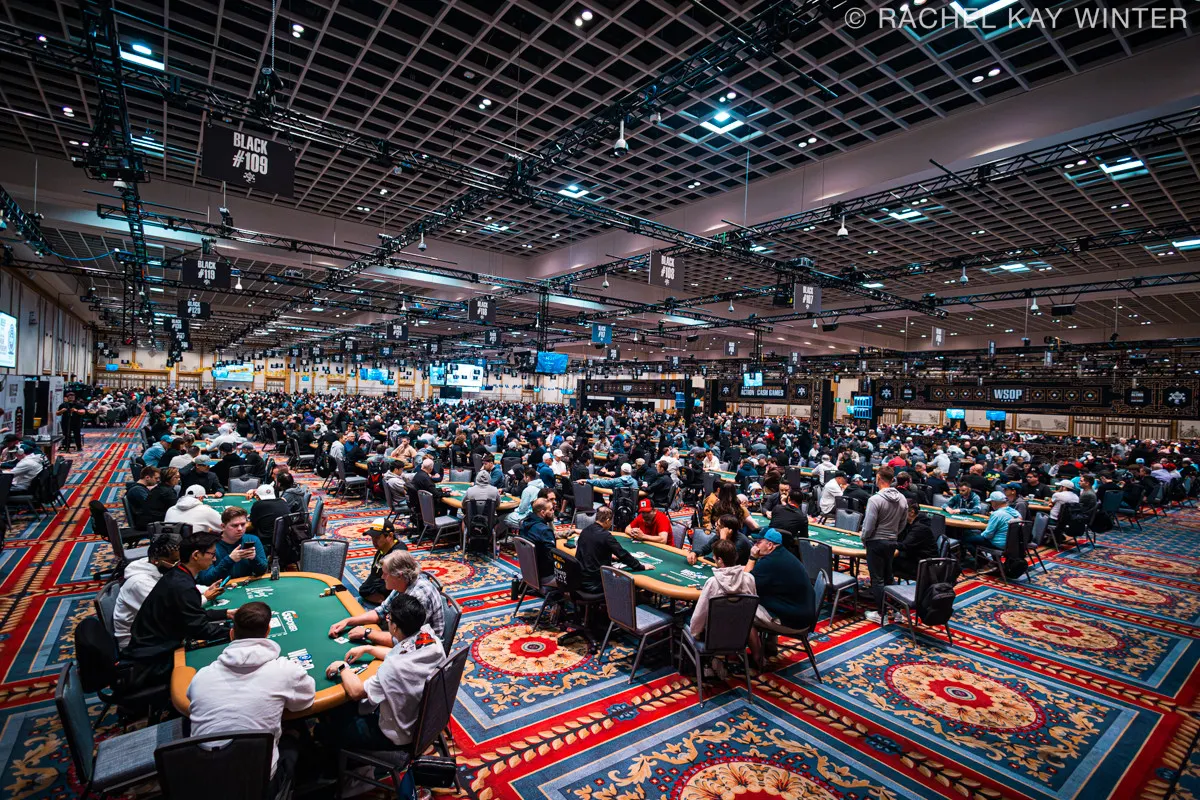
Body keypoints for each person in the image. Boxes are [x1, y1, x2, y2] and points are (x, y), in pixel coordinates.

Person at [187, 602, 315, 793]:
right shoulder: (286, 670)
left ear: (232, 633)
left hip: (201, 784)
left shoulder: (202, 676)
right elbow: (306, 700)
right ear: (268, 631)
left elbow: (190, 700)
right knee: (298, 729)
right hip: (259, 785)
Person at [319, 594, 445, 765]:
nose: (388, 621)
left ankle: (338, 766)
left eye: (389, 619)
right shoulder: (431, 640)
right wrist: (368, 649)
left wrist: (342, 668)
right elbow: (403, 654)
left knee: (330, 722)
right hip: (422, 720)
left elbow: (356, 692)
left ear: (395, 627)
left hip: (396, 735)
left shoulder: (393, 668)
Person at [121, 532, 233, 691]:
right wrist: (235, 631)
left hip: (152, 646)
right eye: (212, 554)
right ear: (196, 555)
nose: (214, 559)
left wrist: (226, 613)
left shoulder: (178, 574)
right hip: (153, 659)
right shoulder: (182, 586)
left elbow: (189, 613)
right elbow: (199, 629)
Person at [328, 550, 445, 642]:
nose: (382, 577)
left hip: (424, 646)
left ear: (399, 575)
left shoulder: (419, 597)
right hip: (405, 636)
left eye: (385, 574)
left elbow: (407, 641)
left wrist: (367, 633)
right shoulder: (402, 584)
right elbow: (382, 611)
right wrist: (348, 621)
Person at [113, 532, 189, 649]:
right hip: (136, 643)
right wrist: (204, 598)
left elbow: (180, 588)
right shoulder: (140, 583)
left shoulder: (156, 567)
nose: (177, 565)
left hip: (153, 630)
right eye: (174, 561)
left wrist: (205, 590)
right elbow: (171, 612)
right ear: (156, 560)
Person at [690, 538, 760, 660]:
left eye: (714, 557)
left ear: (720, 560)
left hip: (713, 637)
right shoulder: (749, 578)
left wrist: (695, 634)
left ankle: (708, 661)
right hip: (740, 635)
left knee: (685, 617)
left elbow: (699, 617)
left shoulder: (712, 582)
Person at [746, 529, 816, 636]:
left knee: (743, 611)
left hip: (794, 622)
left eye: (758, 542)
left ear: (770, 545)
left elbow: (745, 583)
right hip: (803, 614)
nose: (755, 546)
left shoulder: (770, 562)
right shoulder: (783, 554)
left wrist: (752, 558)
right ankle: (770, 644)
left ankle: (757, 648)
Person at [860, 466, 906, 625]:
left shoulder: (875, 499)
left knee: (878, 579)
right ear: (892, 480)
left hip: (876, 542)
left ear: (878, 478)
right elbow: (903, 523)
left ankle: (882, 614)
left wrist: (864, 539)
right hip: (892, 541)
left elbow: (868, 526)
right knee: (889, 576)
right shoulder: (902, 498)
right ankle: (898, 611)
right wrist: (893, 534)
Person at [575, 506, 645, 593]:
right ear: (607, 520)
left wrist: (609, 555)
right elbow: (622, 554)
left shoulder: (585, 530)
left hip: (580, 581)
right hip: (596, 584)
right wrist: (640, 566)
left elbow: (590, 550)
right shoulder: (606, 536)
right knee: (630, 585)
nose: (611, 524)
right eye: (611, 521)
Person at [196, 506, 268, 584]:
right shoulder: (208, 545)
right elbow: (206, 579)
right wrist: (229, 560)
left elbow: (262, 571)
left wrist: (254, 558)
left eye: (243, 524)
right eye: (235, 525)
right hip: (219, 588)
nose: (240, 529)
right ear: (223, 527)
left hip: (244, 585)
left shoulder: (252, 539)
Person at [962, 491, 1021, 566]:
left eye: (991, 502)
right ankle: (995, 563)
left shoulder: (997, 514)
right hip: (1012, 544)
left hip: (999, 544)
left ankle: (982, 562)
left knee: (966, 539)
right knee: (973, 535)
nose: (991, 504)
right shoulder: (1015, 512)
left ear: (995, 502)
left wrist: (980, 535)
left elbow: (988, 535)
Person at [358, 525, 407, 606]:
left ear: (390, 536)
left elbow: (400, 581)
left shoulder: (399, 553)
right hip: (382, 581)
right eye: (372, 537)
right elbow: (374, 572)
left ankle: (391, 602)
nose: (374, 541)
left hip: (394, 584)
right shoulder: (382, 549)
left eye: (377, 537)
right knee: (364, 590)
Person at [894, 501, 938, 581]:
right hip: (915, 558)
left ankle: (884, 585)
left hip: (924, 566)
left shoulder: (920, 528)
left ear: (911, 512)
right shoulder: (909, 524)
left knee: (887, 560)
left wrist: (885, 543)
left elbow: (904, 546)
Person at [519, 497, 559, 577]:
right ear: (543, 512)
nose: (553, 512)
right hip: (545, 574)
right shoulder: (545, 531)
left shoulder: (524, 522)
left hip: (528, 570)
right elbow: (552, 557)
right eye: (551, 510)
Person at [124, 466, 160, 530]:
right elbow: (152, 506)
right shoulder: (138, 490)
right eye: (156, 478)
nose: (158, 480)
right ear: (147, 477)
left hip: (145, 518)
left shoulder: (139, 488)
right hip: (144, 522)